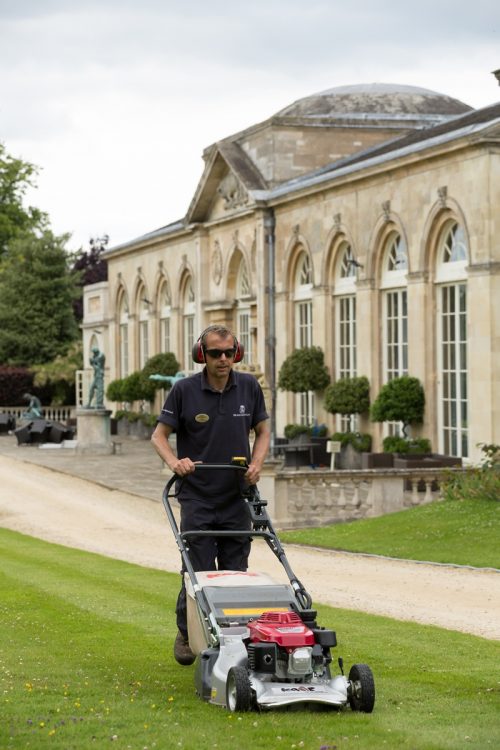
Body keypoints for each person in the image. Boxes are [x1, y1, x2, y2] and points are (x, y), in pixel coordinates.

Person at [151, 325, 270, 665]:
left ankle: (233, 641)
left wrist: (257, 463)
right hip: (198, 495)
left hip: (237, 495)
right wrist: (176, 462)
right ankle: (187, 632)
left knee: (235, 573)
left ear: (237, 353)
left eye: (229, 353)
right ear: (201, 354)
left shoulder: (248, 387)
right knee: (198, 571)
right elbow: (159, 436)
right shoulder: (184, 391)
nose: (223, 359)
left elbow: (262, 431)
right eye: (216, 353)